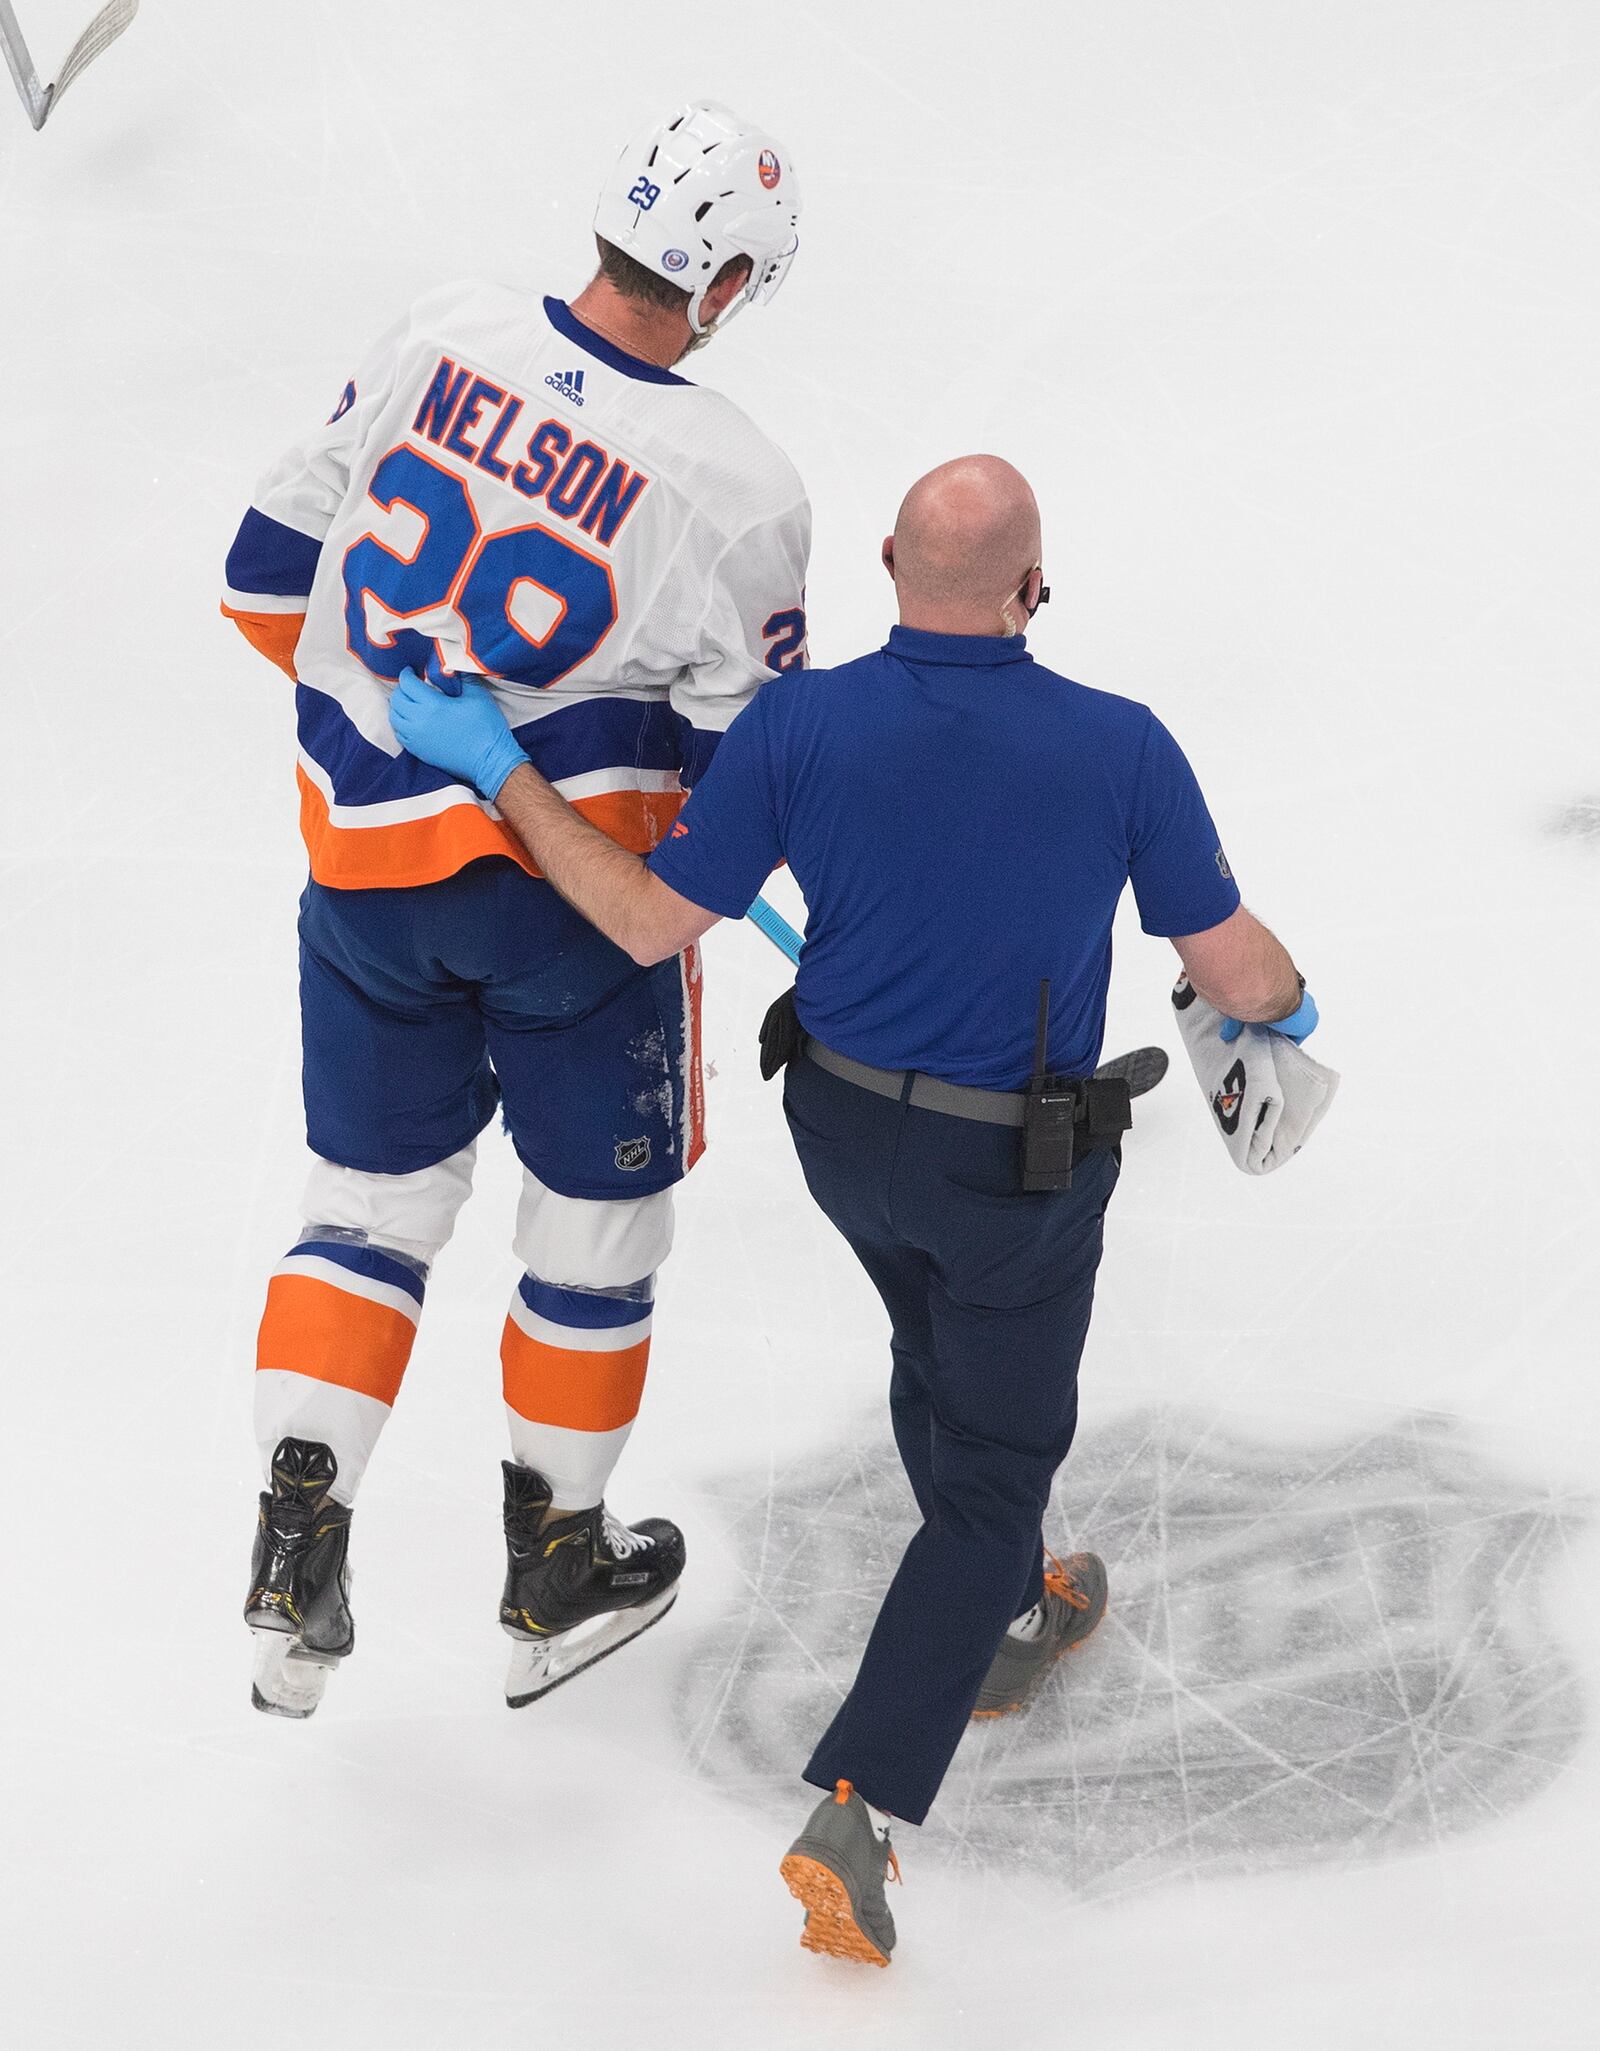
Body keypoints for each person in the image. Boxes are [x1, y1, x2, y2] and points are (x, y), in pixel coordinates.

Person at [386, 454, 1321, 1964]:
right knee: (1000, 1459)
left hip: (840, 1138)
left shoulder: (800, 724)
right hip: (1009, 1176)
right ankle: (862, 1799)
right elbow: (1239, 975)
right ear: (1036, 587)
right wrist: (1290, 996)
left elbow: (639, 919)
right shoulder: (1121, 749)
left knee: (927, 1339)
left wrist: (495, 763)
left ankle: (1014, 1612)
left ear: (888, 564)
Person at [221, 100, 810, 1720]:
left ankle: (291, 1557)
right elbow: (742, 774)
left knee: (365, 1212)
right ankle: (554, 1571)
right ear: (730, 285)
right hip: (573, 923)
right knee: (595, 1232)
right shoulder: (743, 487)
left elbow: (265, 584)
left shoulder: (439, 328)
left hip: (361, 886)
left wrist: (395, 750)